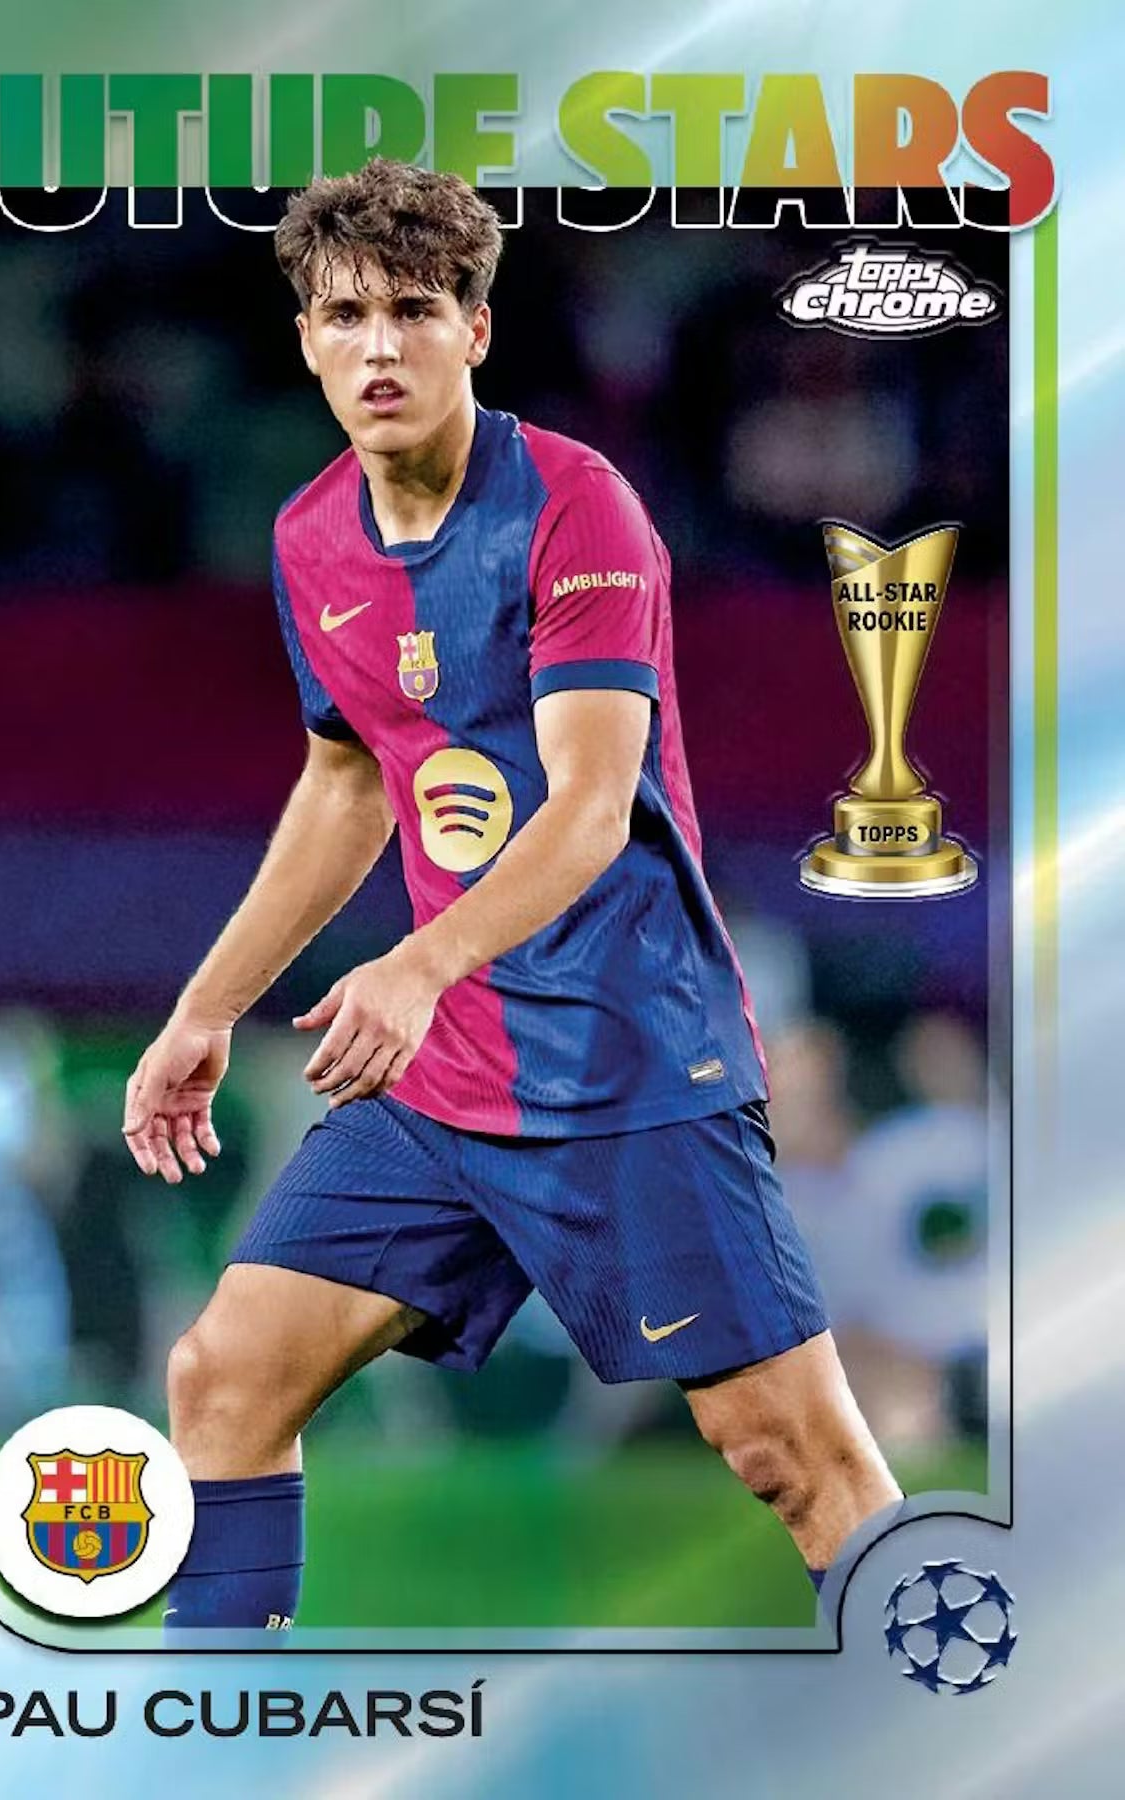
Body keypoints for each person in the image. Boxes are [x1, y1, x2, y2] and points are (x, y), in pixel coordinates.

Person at [122, 160, 901, 1631]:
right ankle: (219, 1718)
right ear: (305, 339)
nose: (378, 347)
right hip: (445, 1083)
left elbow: (591, 807)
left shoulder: (575, 507)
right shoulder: (308, 537)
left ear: (475, 330)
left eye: (415, 311)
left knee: (787, 1455)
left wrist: (415, 964)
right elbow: (347, 783)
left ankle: (940, 1686)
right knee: (226, 1373)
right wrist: (205, 1010)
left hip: (626, 1060)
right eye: (344, 315)